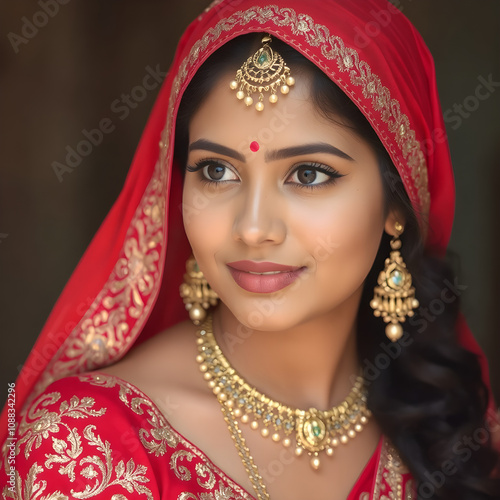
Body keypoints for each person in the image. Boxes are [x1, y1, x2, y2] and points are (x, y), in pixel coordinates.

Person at [1, 0, 499, 498]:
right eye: (217, 171)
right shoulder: (84, 445)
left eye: (308, 174)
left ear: (397, 203)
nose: (253, 228)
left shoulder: (443, 426)